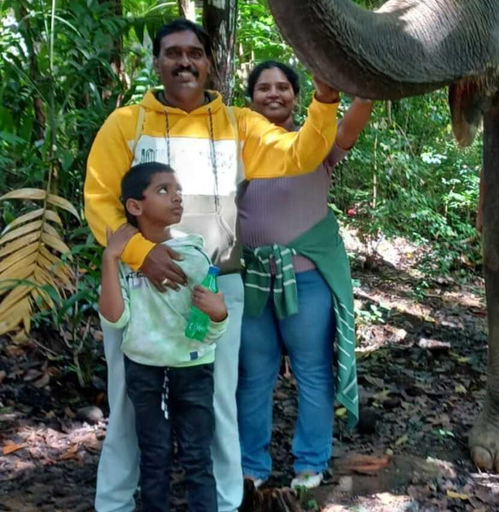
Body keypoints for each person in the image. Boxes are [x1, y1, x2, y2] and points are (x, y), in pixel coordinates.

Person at [84, 20, 340, 512]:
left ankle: (224, 504)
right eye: (173, 53)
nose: (185, 62)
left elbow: (300, 153)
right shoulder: (126, 124)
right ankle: (113, 505)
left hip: (217, 290)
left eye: (195, 53)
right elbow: (99, 200)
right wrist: (141, 253)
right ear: (156, 62)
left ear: (210, 63)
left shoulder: (238, 125)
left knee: (219, 400)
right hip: (140, 288)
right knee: (128, 406)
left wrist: (325, 102)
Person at [236, 60, 373, 490]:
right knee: (254, 373)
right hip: (251, 279)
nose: (273, 94)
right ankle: (248, 466)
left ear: (298, 96)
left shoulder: (316, 142)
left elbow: (355, 117)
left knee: (312, 370)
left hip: (307, 279)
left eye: (282, 87)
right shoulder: (233, 146)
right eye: (263, 88)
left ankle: (310, 463)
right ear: (251, 97)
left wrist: (363, 80)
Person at [99, 162, 228, 512]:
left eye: (178, 191)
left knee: (197, 457)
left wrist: (218, 313)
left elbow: (207, 329)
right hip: (146, 371)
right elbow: (115, 318)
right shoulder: (126, 262)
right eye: (163, 190)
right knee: (153, 458)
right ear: (134, 206)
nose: (177, 198)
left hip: (193, 370)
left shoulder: (194, 257)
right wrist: (111, 259)